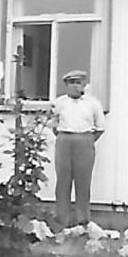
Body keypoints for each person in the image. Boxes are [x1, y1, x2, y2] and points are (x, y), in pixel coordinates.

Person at [51, 70, 105, 230]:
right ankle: (62, 220)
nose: (75, 87)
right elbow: (53, 124)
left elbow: (100, 127)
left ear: (84, 85)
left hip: (85, 140)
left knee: (83, 181)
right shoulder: (59, 103)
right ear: (66, 86)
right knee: (63, 181)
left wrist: (86, 141)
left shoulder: (93, 103)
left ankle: (83, 220)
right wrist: (64, 137)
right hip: (64, 140)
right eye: (72, 83)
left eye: (78, 83)